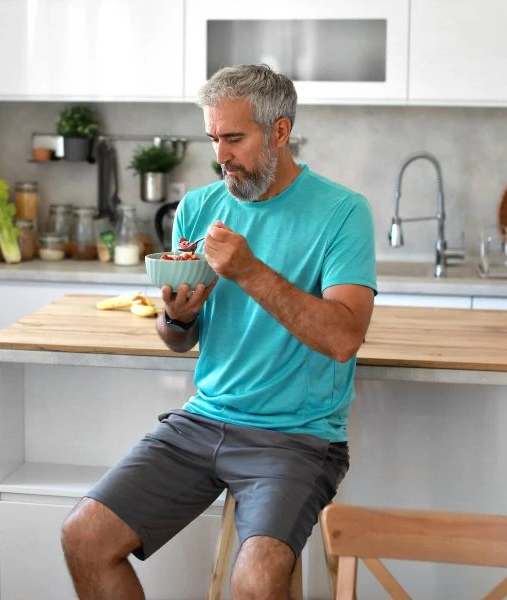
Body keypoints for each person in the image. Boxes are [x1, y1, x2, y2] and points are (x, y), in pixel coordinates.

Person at [61, 64, 377, 600]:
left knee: (254, 581)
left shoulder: (343, 213)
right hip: (203, 421)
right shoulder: (199, 209)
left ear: (279, 131)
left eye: (234, 138)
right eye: (213, 138)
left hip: (297, 436)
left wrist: (249, 270)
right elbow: (179, 338)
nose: (220, 154)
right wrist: (177, 318)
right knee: (83, 537)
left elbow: (344, 338)